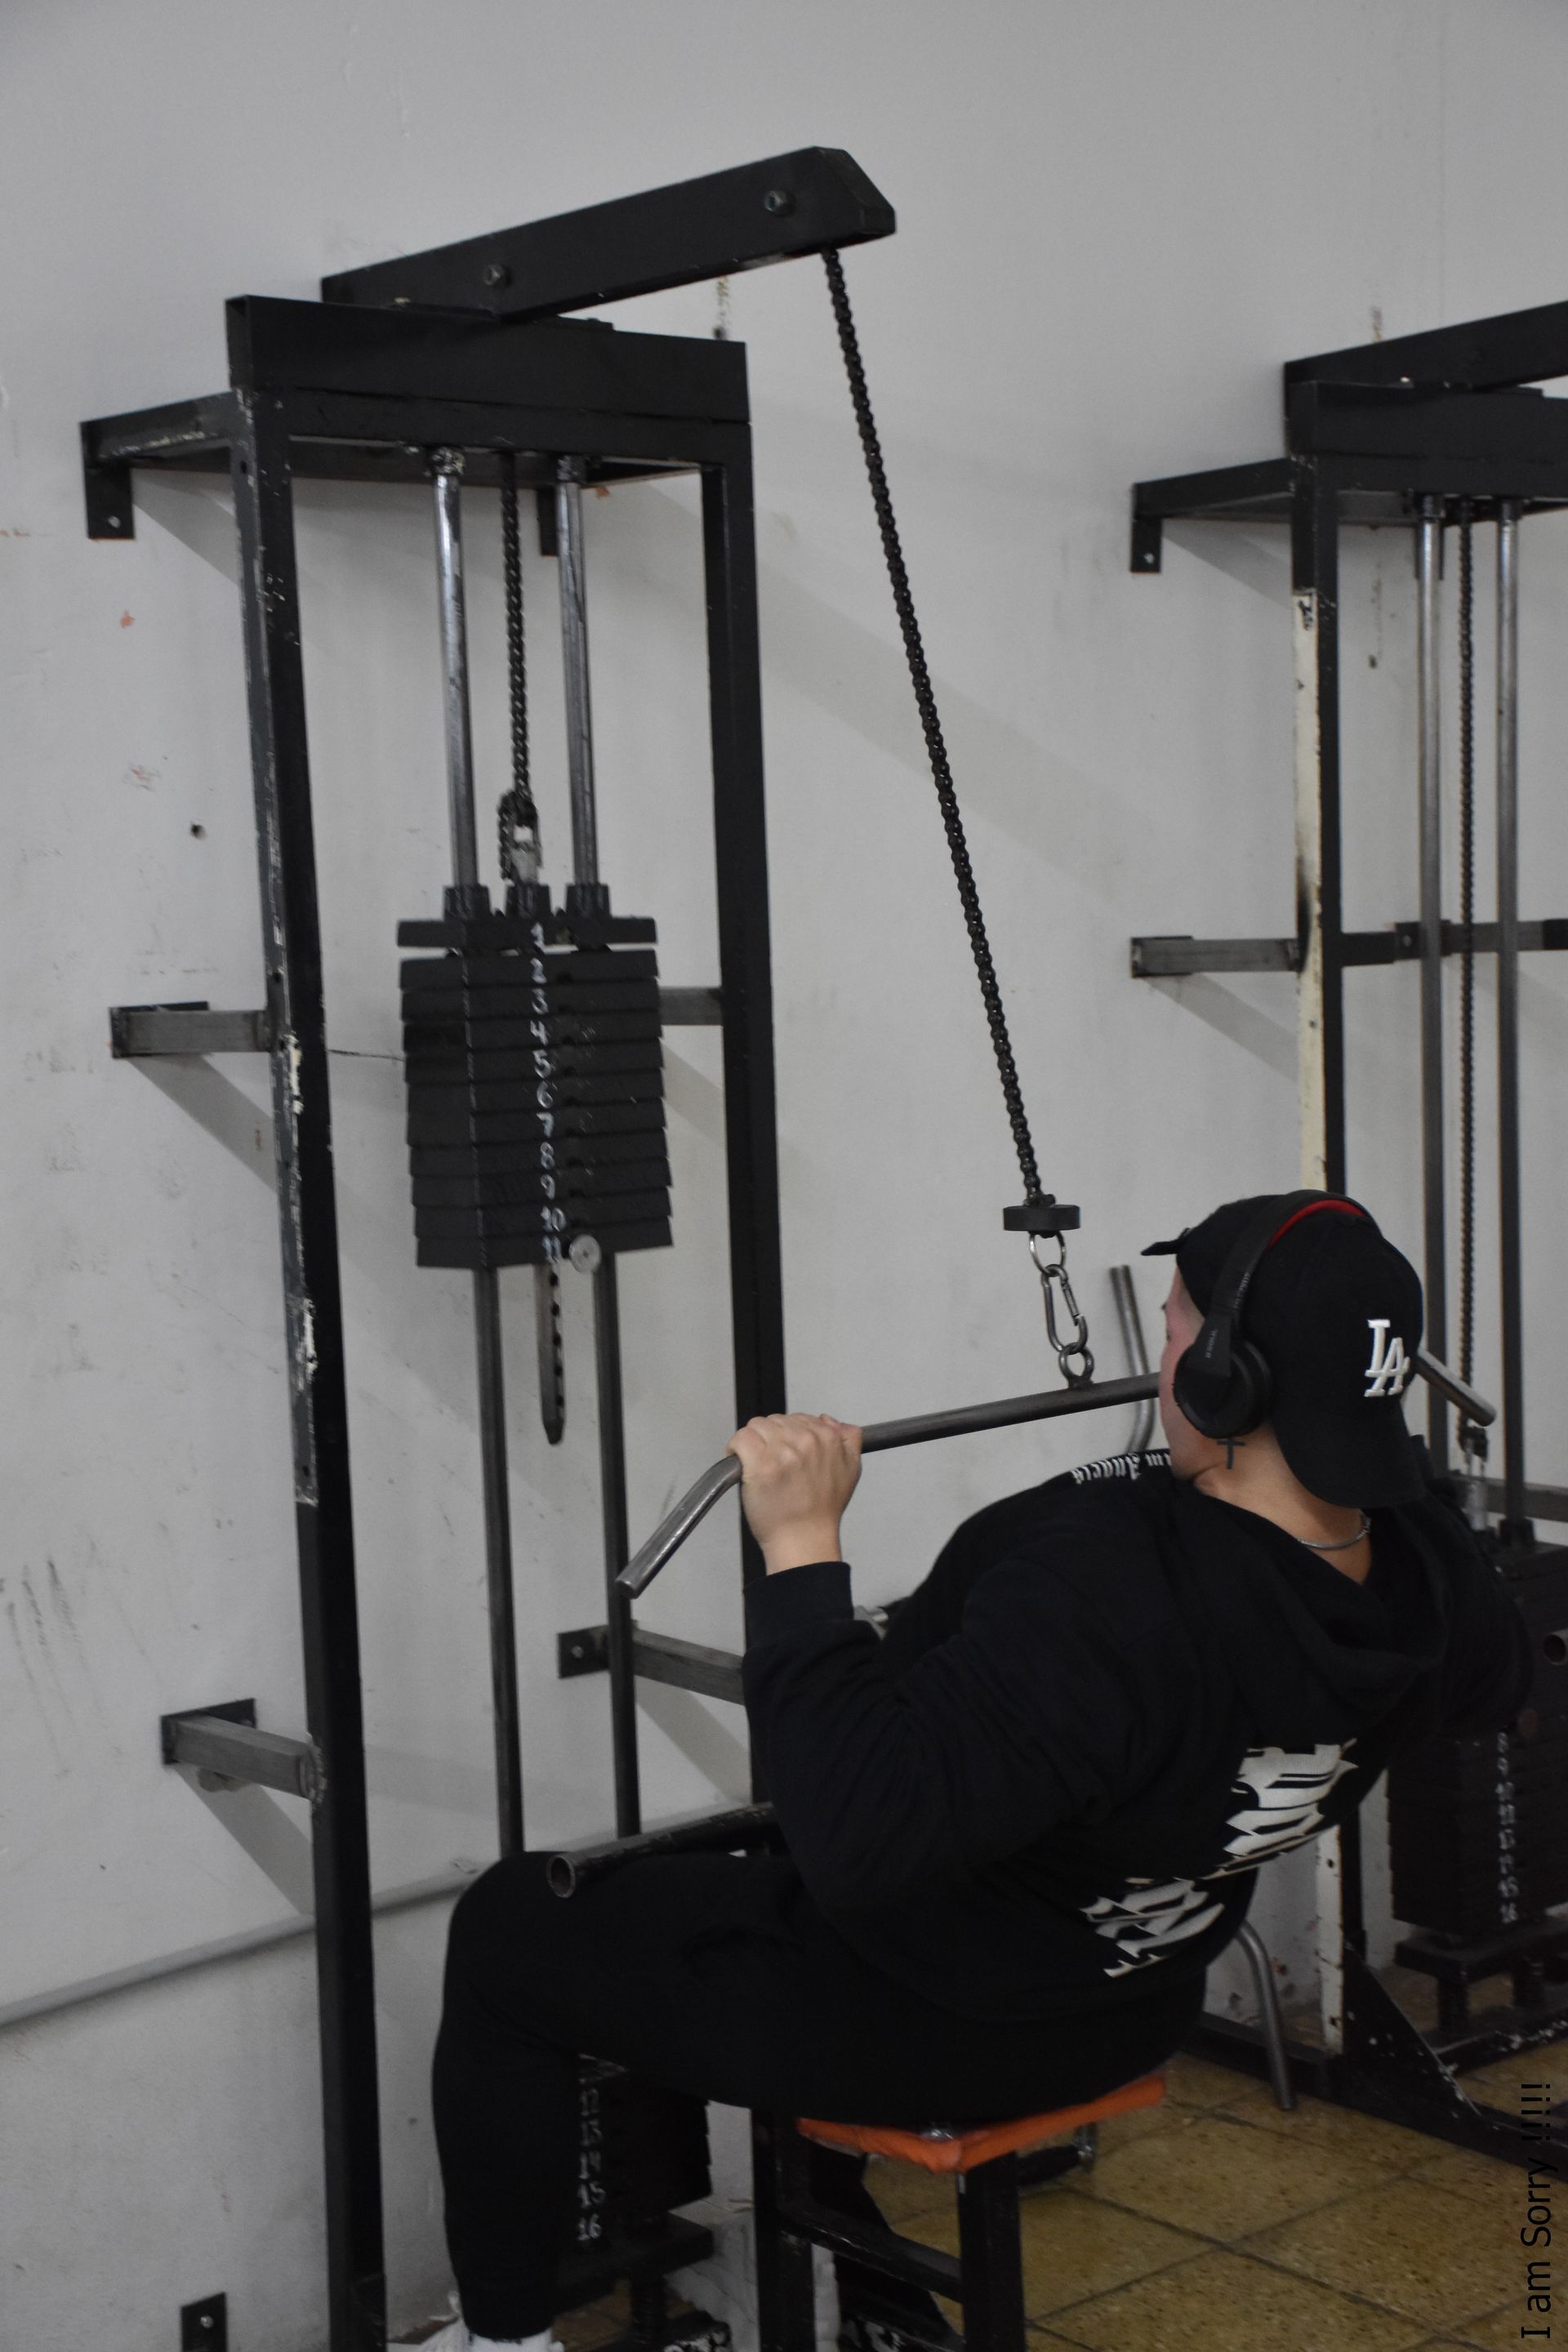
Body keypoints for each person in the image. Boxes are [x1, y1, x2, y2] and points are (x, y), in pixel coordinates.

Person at [414, 1192, 1532, 2352]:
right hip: (1134, 1998)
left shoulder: (1113, 1594)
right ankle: (848, 2281)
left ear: (1226, 1379)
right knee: (711, 1884)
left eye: (1172, 1333)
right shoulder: (1428, 1569)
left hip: (947, 2018)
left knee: (510, 1929)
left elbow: (854, 1840)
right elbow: (1458, 1676)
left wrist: (800, 1546)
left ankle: (500, 2344)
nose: (1160, 1366)